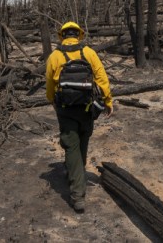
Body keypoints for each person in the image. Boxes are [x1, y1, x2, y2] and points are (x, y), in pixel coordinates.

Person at [46, 21, 113, 213]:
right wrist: (108, 101)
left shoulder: (55, 56)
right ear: (78, 35)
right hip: (87, 108)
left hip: (65, 109)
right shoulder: (89, 53)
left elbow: (50, 85)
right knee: (81, 142)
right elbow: (102, 78)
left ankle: (77, 195)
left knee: (71, 145)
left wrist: (51, 100)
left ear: (62, 36)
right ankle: (76, 175)